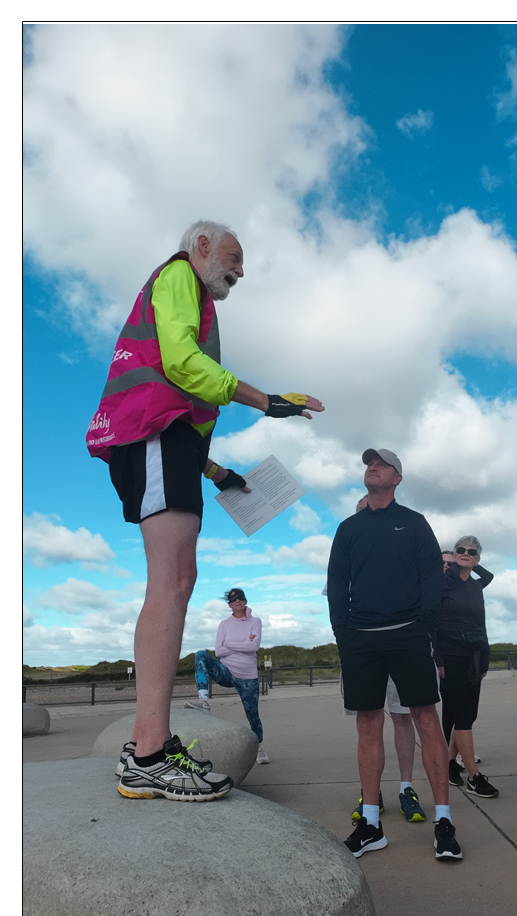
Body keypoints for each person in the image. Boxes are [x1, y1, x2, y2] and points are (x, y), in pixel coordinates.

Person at [86, 220, 324, 802]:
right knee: (171, 582)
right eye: (234, 257)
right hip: (153, 433)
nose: (239, 271)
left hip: (169, 441)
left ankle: (149, 744)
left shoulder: (194, 295)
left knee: (178, 579)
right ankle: (148, 753)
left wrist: (219, 472)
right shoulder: (177, 276)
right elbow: (182, 365)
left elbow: (186, 405)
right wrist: (266, 401)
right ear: (200, 246)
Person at [327, 448, 462, 861]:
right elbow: (337, 581)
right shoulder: (348, 528)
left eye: (382, 464)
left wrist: (421, 624)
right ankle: (370, 823)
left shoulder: (415, 524)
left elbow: (431, 578)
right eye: (369, 464)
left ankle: (443, 821)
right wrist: (344, 633)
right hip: (361, 639)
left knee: (425, 719)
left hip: (408, 634)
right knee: (368, 724)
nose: (372, 468)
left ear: (397, 478)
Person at [340, 494, 426, 824]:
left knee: (403, 718)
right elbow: (340, 602)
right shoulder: (349, 556)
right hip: (363, 648)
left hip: (401, 644)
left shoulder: (404, 557)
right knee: (368, 724)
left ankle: (406, 788)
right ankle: (371, 794)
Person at [435, 535, 498, 797]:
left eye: (471, 551)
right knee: (460, 714)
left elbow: (480, 624)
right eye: (460, 550)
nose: (465, 553)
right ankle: (473, 776)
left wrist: (484, 657)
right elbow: (432, 625)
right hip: (450, 656)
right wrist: (438, 660)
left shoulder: (475, 586)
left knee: (468, 713)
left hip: (475, 655)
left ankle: (450, 761)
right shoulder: (441, 583)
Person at [186, 588, 269, 764]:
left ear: (245, 601)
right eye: (232, 599)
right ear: (229, 604)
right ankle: (203, 699)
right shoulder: (224, 624)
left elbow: (253, 647)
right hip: (226, 671)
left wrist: (230, 643)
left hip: (247, 676)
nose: (237, 601)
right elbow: (219, 650)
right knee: (201, 654)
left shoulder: (255, 622)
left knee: (252, 714)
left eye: (240, 598)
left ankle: (260, 747)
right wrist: (244, 642)